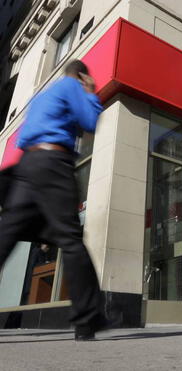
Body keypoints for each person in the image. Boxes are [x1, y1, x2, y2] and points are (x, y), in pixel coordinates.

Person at [0, 60, 109, 340]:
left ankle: (89, 317)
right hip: (53, 162)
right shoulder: (72, 85)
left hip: (27, 166)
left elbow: (23, 136)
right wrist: (90, 94)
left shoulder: (42, 96)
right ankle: (87, 320)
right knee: (71, 240)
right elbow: (89, 121)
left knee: (6, 237)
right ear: (83, 75)